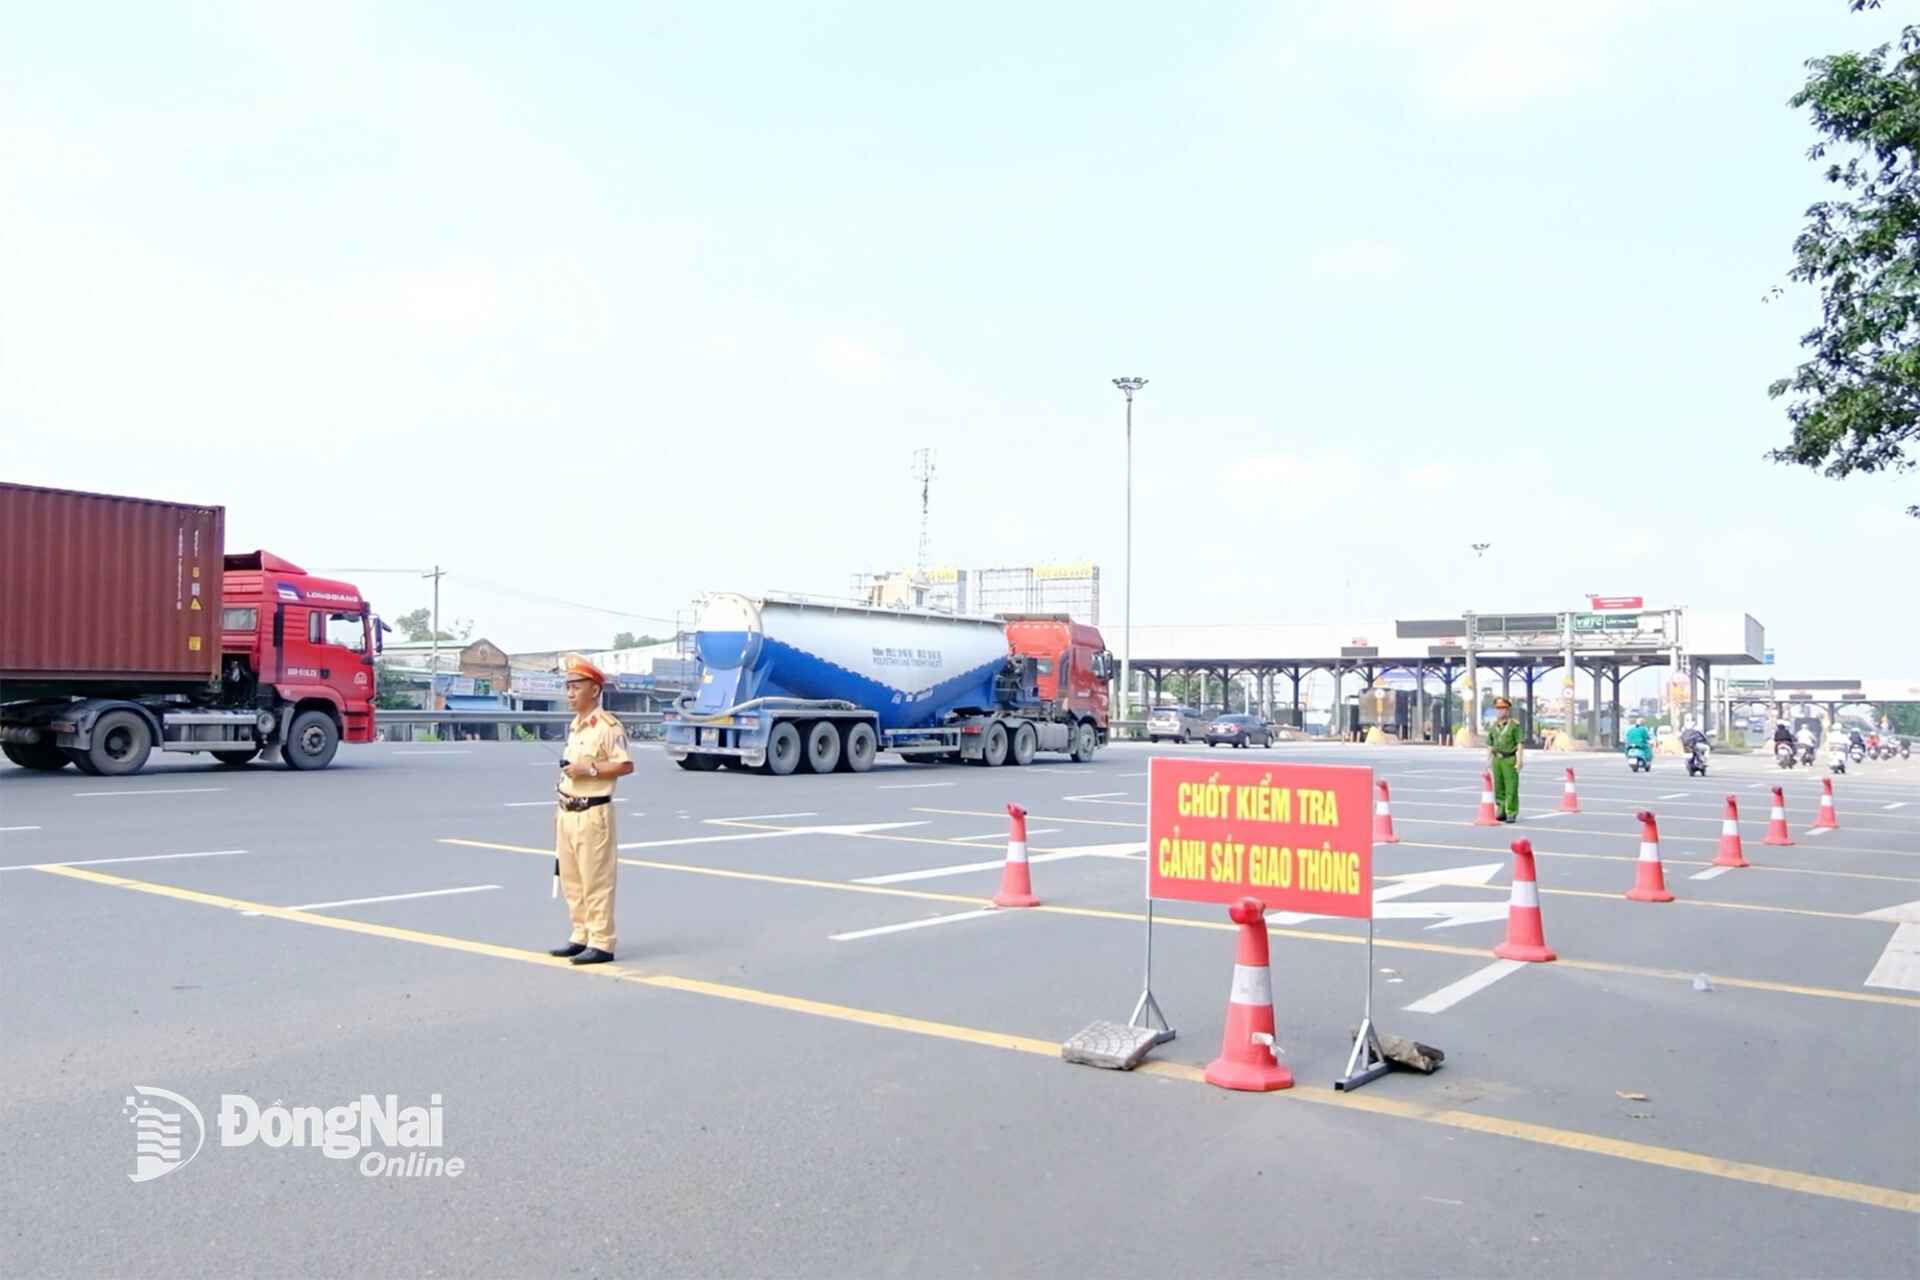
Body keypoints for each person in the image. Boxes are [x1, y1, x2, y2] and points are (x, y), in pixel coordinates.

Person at [549, 655, 633, 965]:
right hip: (569, 810)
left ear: (594, 690)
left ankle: (602, 941)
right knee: (571, 878)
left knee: (596, 879)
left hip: (593, 812)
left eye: (576, 687)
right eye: (567, 687)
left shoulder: (607, 726)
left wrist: (590, 769)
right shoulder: (576, 726)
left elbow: (625, 764)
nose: (570, 693)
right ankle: (580, 934)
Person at [1485, 696, 1524, 823]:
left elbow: (1519, 744)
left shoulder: (1514, 726)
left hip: (1509, 759)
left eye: (1503, 708)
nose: (1500, 711)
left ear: (1508, 710)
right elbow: (1490, 744)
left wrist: (1519, 761)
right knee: (1499, 787)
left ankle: (1511, 812)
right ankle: (1500, 810)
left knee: (1511, 787)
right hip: (1497, 759)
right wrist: (1488, 761)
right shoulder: (1493, 726)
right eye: (1498, 709)